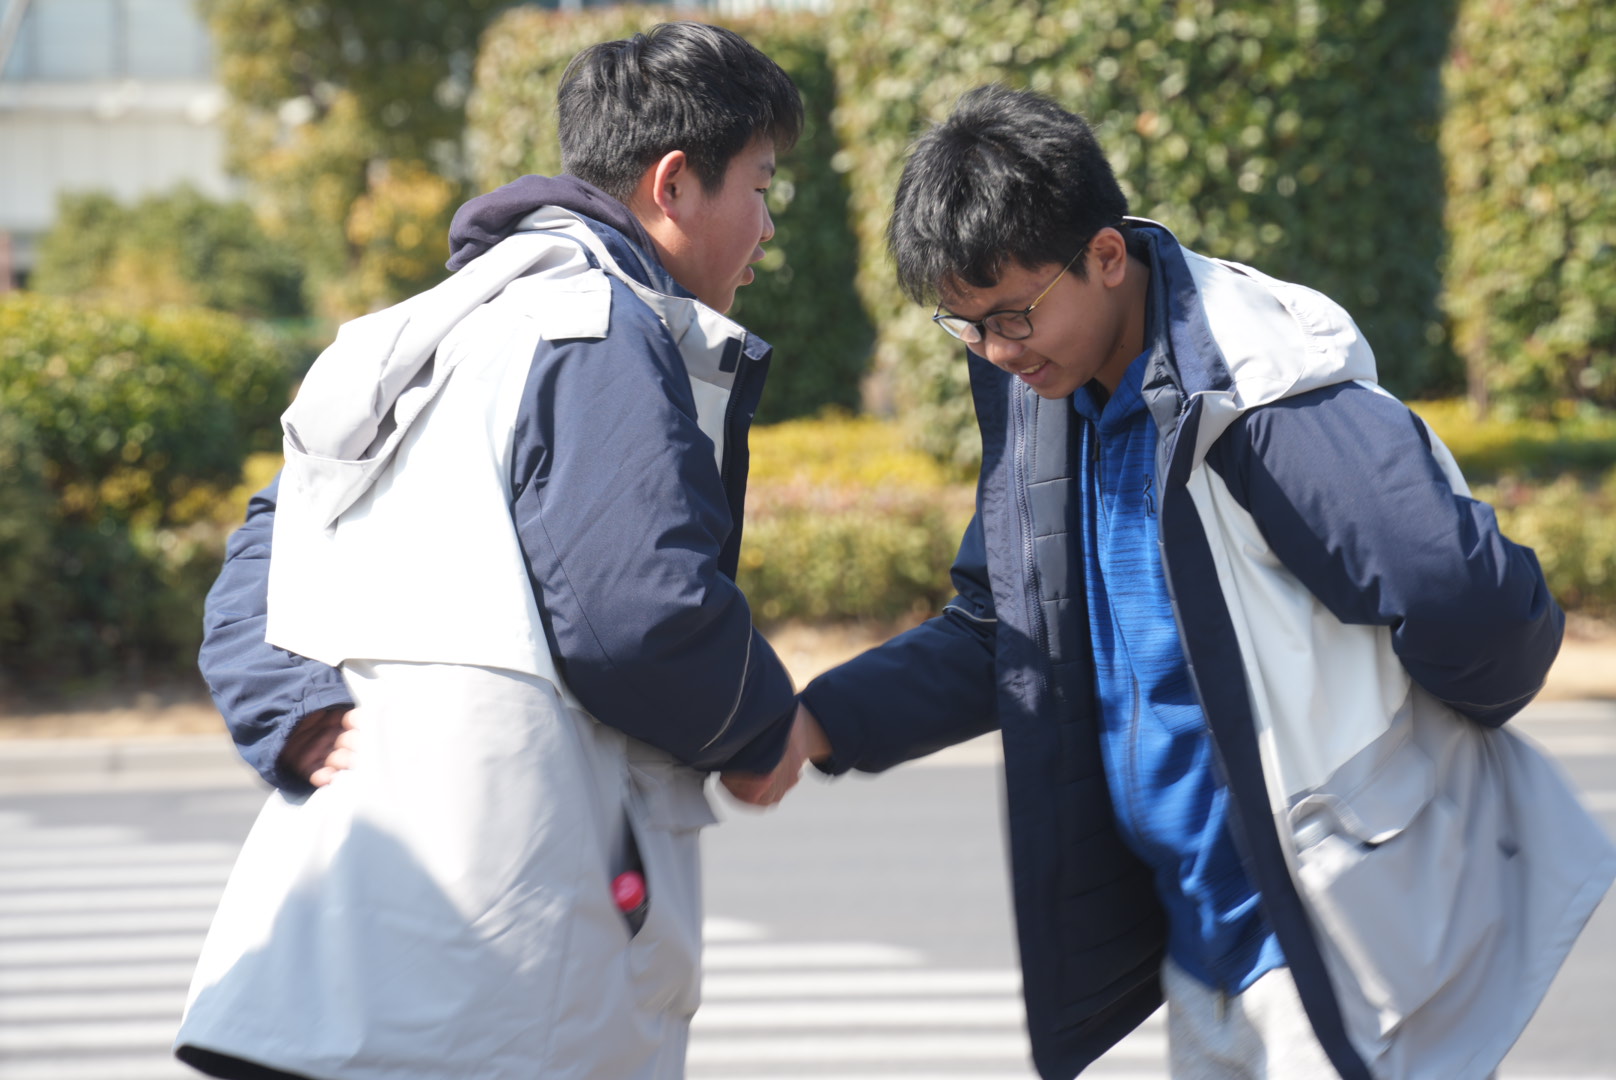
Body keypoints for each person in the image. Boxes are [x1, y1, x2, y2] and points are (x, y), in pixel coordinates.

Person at [738, 86, 1616, 1079]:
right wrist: (819, 723)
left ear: (1106, 256)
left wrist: (1419, 769)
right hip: (1202, 949)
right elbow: (1006, 631)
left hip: (1334, 944)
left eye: (1013, 315)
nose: (997, 351)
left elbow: (1473, 602)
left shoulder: (1257, 394)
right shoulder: (1048, 396)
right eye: (967, 326)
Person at [175, 22, 816, 1080]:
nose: (767, 225)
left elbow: (263, 555)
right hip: (493, 979)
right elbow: (635, 613)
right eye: (759, 185)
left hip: (331, 954)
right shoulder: (596, 327)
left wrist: (292, 709)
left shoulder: (437, 329)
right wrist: (758, 724)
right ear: (673, 184)